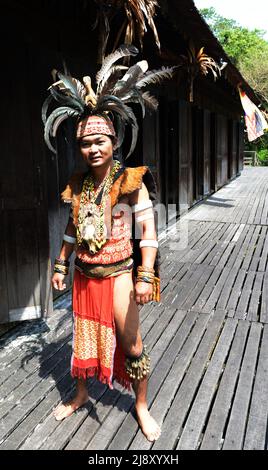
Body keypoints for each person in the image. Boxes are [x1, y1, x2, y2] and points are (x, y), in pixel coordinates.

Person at [42, 45, 173, 442]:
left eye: (100, 140)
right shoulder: (78, 185)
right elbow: (71, 227)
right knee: (83, 340)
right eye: (86, 143)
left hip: (119, 275)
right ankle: (82, 393)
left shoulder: (130, 181)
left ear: (114, 140)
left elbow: (148, 231)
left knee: (132, 344)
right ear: (79, 148)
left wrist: (146, 274)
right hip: (85, 275)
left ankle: (140, 405)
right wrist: (62, 263)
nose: (93, 148)